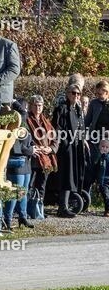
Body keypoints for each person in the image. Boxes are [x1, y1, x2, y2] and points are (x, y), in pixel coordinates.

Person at [52, 83, 88, 218]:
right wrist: (65, 143)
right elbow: (57, 128)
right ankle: (63, 207)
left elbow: (81, 127)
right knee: (67, 175)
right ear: (67, 94)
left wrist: (83, 140)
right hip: (66, 147)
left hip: (76, 146)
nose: (76, 96)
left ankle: (67, 204)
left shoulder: (77, 109)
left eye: (78, 94)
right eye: (73, 93)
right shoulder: (62, 108)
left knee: (73, 175)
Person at [1, 99, 34, 233]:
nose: (25, 111)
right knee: (14, 193)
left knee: (24, 192)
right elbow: (17, 148)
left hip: (26, 162)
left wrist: (31, 149)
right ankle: (7, 220)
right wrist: (12, 100)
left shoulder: (24, 126)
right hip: (16, 162)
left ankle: (23, 217)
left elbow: (29, 141)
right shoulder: (11, 126)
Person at [26, 95, 58, 221]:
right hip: (33, 158)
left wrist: (50, 149)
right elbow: (25, 138)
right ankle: (28, 211)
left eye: (40, 105)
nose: (38, 107)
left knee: (42, 185)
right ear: (31, 106)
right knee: (30, 185)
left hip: (46, 159)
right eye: (36, 105)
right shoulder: (27, 120)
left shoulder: (46, 121)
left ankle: (39, 210)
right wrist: (35, 148)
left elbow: (55, 138)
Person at [93, 139, 109, 217]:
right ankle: (107, 210)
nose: (104, 148)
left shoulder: (108, 157)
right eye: (102, 146)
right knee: (106, 195)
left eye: (107, 147)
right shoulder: (98, 156)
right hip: (103, 181)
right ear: (99, 147)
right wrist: (99, 154)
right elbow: (94, 163)